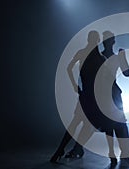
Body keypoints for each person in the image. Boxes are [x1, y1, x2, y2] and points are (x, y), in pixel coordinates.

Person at [50, 31, 100, 163]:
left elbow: (69, 67)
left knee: (79, 123)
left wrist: (75, 84)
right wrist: (74, 84)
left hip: (88, 94)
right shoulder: (95, 56)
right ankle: (69, 148)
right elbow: (69, 68)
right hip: (90, 95)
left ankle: (68, 148)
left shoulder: (86, 53)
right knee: (82, 123)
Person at [100, 31, 129, 162]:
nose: (109, 42)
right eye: (107, 39)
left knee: (121, 122)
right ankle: (114, 152)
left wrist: (123, 57)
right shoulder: (98, 57)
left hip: (114, 93)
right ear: (105, 41)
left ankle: (126, 151)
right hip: (103, 93)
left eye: (110, 39)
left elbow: (127, 73)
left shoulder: (116, 57)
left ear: (113, 41)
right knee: (110, 123)